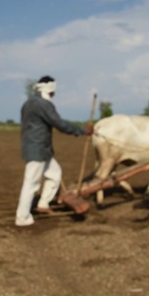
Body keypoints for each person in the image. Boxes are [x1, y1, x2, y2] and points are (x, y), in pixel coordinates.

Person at [15, 75, 93, 226]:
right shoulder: (43, 104)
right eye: (53, 91)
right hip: (37, 150)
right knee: (31, 183)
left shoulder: (28, 104)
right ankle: (22, 217)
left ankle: (43, 204)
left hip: (41, 150)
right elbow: (59, 123)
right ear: (49, 90)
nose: (54, 94)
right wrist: (82, 131)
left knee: (55, 174)